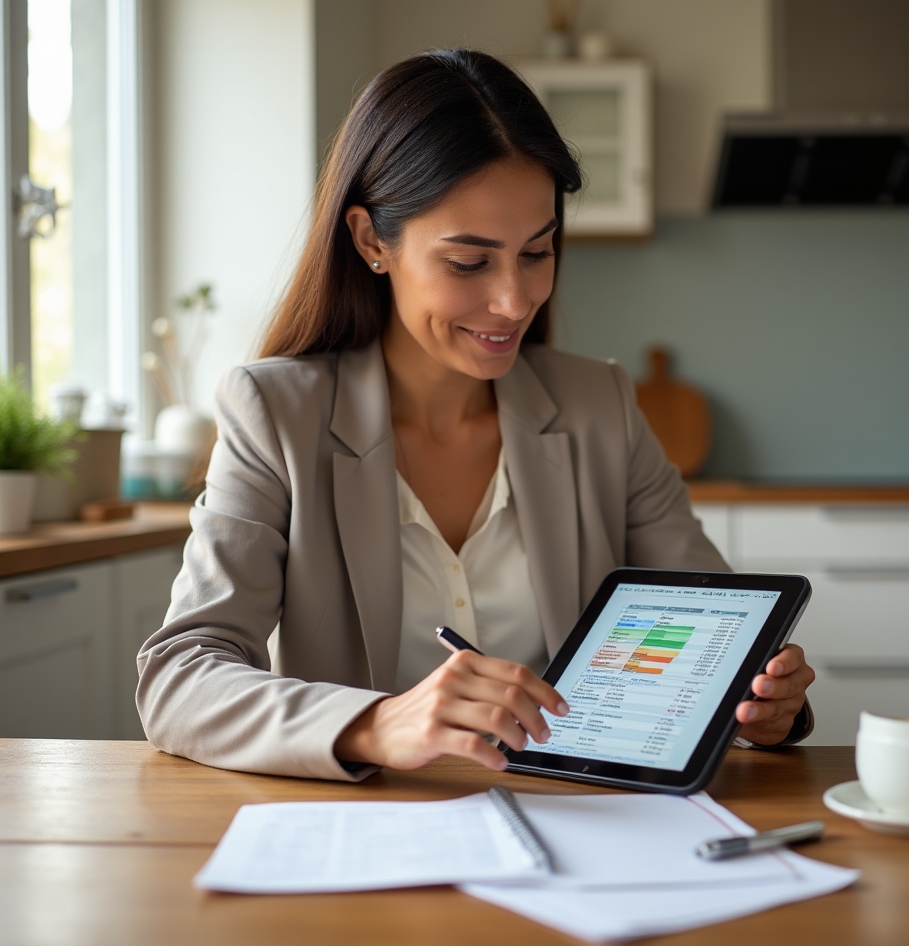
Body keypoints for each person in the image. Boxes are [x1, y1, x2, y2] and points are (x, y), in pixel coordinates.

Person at [137, 49, 814, 781]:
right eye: (469, 263)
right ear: (371, 242)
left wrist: (764, 706)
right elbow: (178, 678)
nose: (515, 301)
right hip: (366, 834)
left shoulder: (601, 407)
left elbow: (712, 634)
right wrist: (374, 723)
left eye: (538, 252)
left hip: (579, 826)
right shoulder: (276, 414)